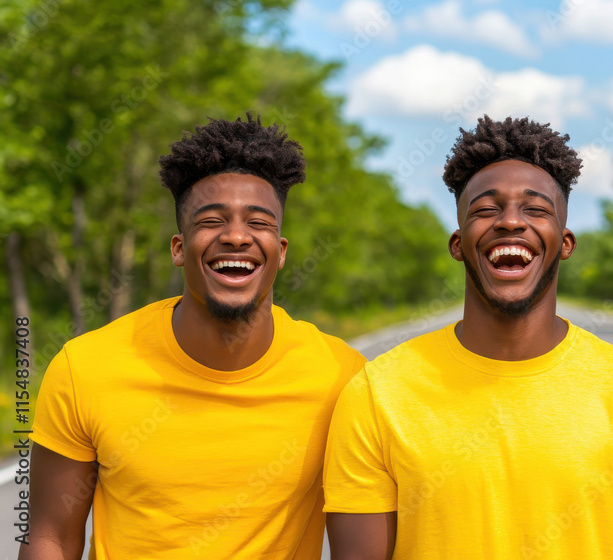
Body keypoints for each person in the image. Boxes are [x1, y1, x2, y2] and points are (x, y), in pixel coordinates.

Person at [323, 115, 613, 560]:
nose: (510, 222)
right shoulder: (375, 393)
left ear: (566, 242)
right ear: (458, 244)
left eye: (535, 209)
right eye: (486, 209)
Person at [23, 113, 366, 559]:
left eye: (258, 222)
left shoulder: (341, 378)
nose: (237, 236)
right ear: (179, 248)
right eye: (211, 221)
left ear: (280, 253)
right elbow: (51, 537)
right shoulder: (85, 367)